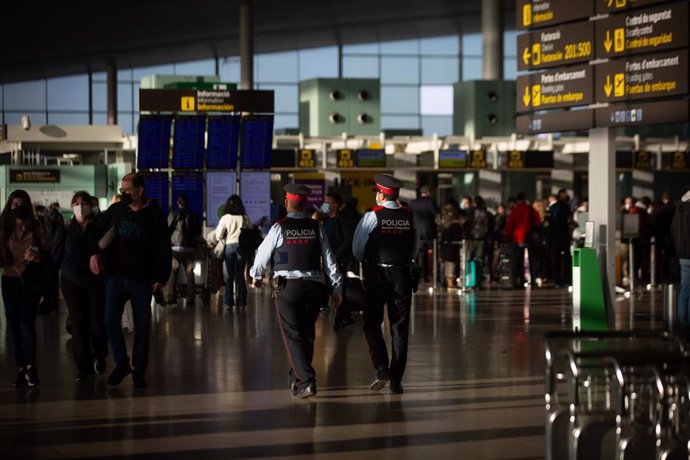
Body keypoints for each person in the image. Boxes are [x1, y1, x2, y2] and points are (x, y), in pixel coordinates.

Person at [249, 183, 342, 398]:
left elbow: (262, 255)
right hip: (315, 288)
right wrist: (337, 286)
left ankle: (307, 381)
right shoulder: (315, 227)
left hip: (288, 289)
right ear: (304, 204)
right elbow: (329, 260)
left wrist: (255, 276)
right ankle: (296, 377)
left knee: (293, 335)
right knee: (306, 335)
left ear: (287, 203)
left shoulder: (279, 226)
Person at [89, 172, 171, 388]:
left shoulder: (154, 214)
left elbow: (164, 246)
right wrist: (93, 253)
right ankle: (121, 363)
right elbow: (97, 231)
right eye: (121, 191)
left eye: (127, 190)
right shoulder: (117, 210)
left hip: (142, 279)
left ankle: (138, 371)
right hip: (116, 275)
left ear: (140, 190)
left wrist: (161, 276)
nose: (123, 194)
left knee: (142, 326)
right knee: (109, 320)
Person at [352, 173, 416, 394]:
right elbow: (415, 247)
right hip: (402, 276)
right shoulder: (409, 216)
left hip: (377, 275)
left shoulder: (373, 216)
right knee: (400, 327)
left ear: (381, 194)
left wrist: (368, 262)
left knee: (371, 322)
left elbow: (357, 248)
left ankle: (382, 368)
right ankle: (396, 379)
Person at [52, 191, 108, 382]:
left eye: (84, 202)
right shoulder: (65, 229)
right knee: (78, 323)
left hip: (95, 280)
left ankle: (100, 355)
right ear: (72, 206)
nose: (80, 206)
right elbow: (56, 257)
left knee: (96, 323)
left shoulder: (100, 227)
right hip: (71, 281)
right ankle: (83, 368)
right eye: (76, 203)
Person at [0, 190, 51, 386]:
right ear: (10, 206)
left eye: (22, 204)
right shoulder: (4, 227)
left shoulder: (36, 227)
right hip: (10, 281)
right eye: (15, 204)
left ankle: (31, 368)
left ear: (27, 206)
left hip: (31, 281)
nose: (18, 207)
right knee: (14, 326)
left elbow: (46, 250)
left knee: (26, 323)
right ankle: (21, 368)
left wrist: (37, 256)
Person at [322, 192, 358, 330]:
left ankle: (342, 318)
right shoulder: (326, 219)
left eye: (327, 202)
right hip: (329, 259)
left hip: (339, 259)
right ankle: (344, 316)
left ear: (335, 206)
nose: (324, 205)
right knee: (334, 288)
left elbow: (349, 240)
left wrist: (337, 256)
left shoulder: (343, 219)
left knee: (339, 287)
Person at [215, 195, 250, 310]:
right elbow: (250, 231)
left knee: (229, 276)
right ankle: (241, 303)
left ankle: (229, 303)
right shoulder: (244, 218)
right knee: (240, 275)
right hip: (242, 247)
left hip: (229, 247)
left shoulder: (225, 218)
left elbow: (218, 235)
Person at [167, 193, 202, 305]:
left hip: (175, 248)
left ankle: (172, 297)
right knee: (190, 272)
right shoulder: (194, 215)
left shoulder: (173, 214)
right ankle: (191, 298)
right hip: (189, 248)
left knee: (173, 272)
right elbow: (198, 232)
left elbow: (167, 230)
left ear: (178, 203)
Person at [504, 192, 541, 287]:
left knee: (519, 260)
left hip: (518, 238)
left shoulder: (515, 210)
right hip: (530, 237)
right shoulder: (530, 209)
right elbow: (538, 221)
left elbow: (510, 224)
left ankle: (521, 280)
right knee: (532, 260)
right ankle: (532, 280)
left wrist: (507, 236)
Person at [409, 185, 439, 283]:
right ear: (428, 192)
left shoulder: (413, 202)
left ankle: (422, 274)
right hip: (429, 231)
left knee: (421, 254)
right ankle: (436, 276)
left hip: (418, 231)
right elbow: (436, 214)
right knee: (435, 253)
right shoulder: (430, 201)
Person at [672, 188, 690, 338]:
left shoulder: (678, 211)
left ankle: (684, 326)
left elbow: (673, 231)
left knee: (684, 290)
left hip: (682, 255)